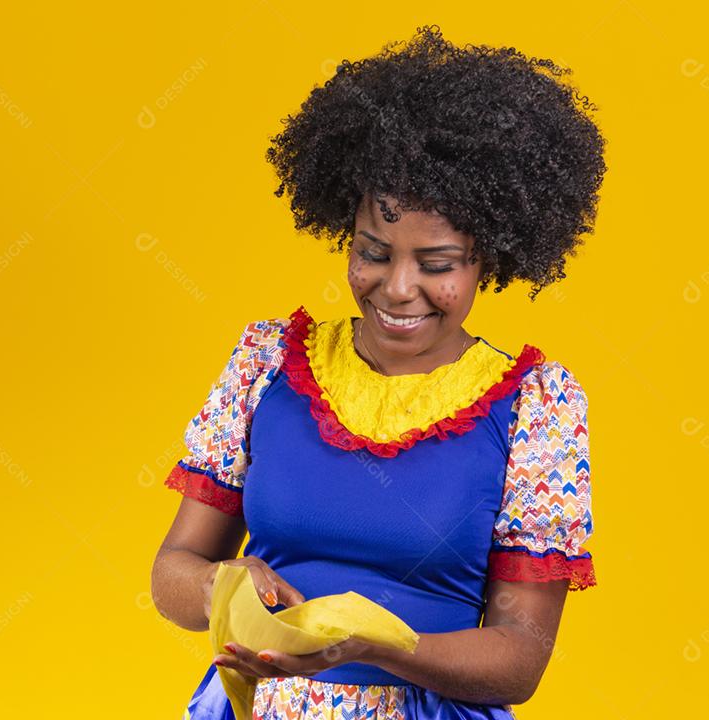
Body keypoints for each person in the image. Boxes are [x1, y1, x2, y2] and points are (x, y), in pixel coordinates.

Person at [151, 24, 606, 720]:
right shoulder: (267, 363)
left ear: (490, 259)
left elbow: (520, 658)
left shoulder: (533, 406)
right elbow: (171, 573)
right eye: (373, 252)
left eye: (437, 264)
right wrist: (222, 586)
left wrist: (380, 645)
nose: (396, 288)